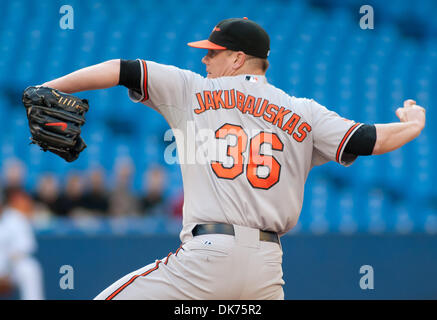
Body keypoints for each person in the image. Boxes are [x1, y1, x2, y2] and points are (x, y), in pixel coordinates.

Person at [37, 17, 426, 299]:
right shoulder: (303, 112)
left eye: (212, 53)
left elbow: (122, 69)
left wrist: (48, 88)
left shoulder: (192, 90)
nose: (204, 61)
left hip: (206, 259)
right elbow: (367, 138)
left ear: (238, 58)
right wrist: (413, 125)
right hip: (266, 271)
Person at [0, 187, 44, 300]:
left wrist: (6, 271)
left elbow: (25, 247)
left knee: (30, 268)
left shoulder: (16, 218)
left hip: (12, 268)